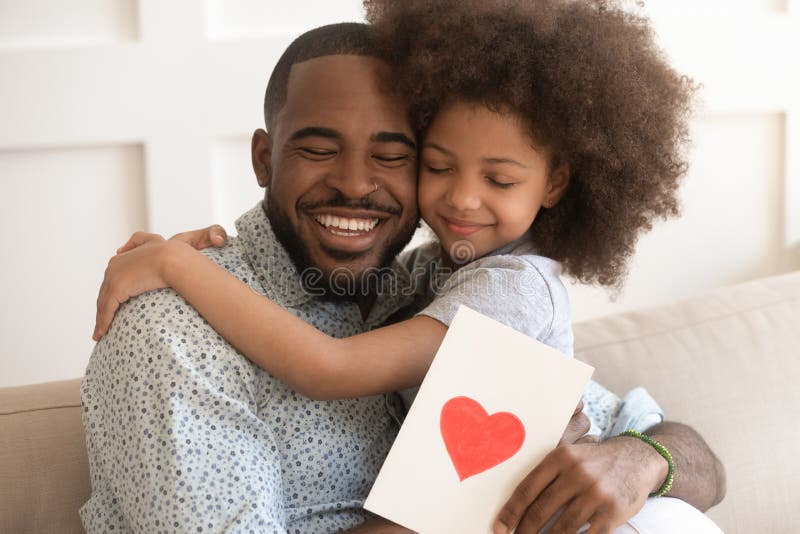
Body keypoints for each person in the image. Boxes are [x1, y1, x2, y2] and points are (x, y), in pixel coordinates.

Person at [84, 8, 724, 534]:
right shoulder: (172, 327)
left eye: (394, 156)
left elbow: (698, 463)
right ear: (263, 157)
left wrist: (639, 461)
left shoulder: (457, 286)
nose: (356, 183)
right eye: (318, 148)